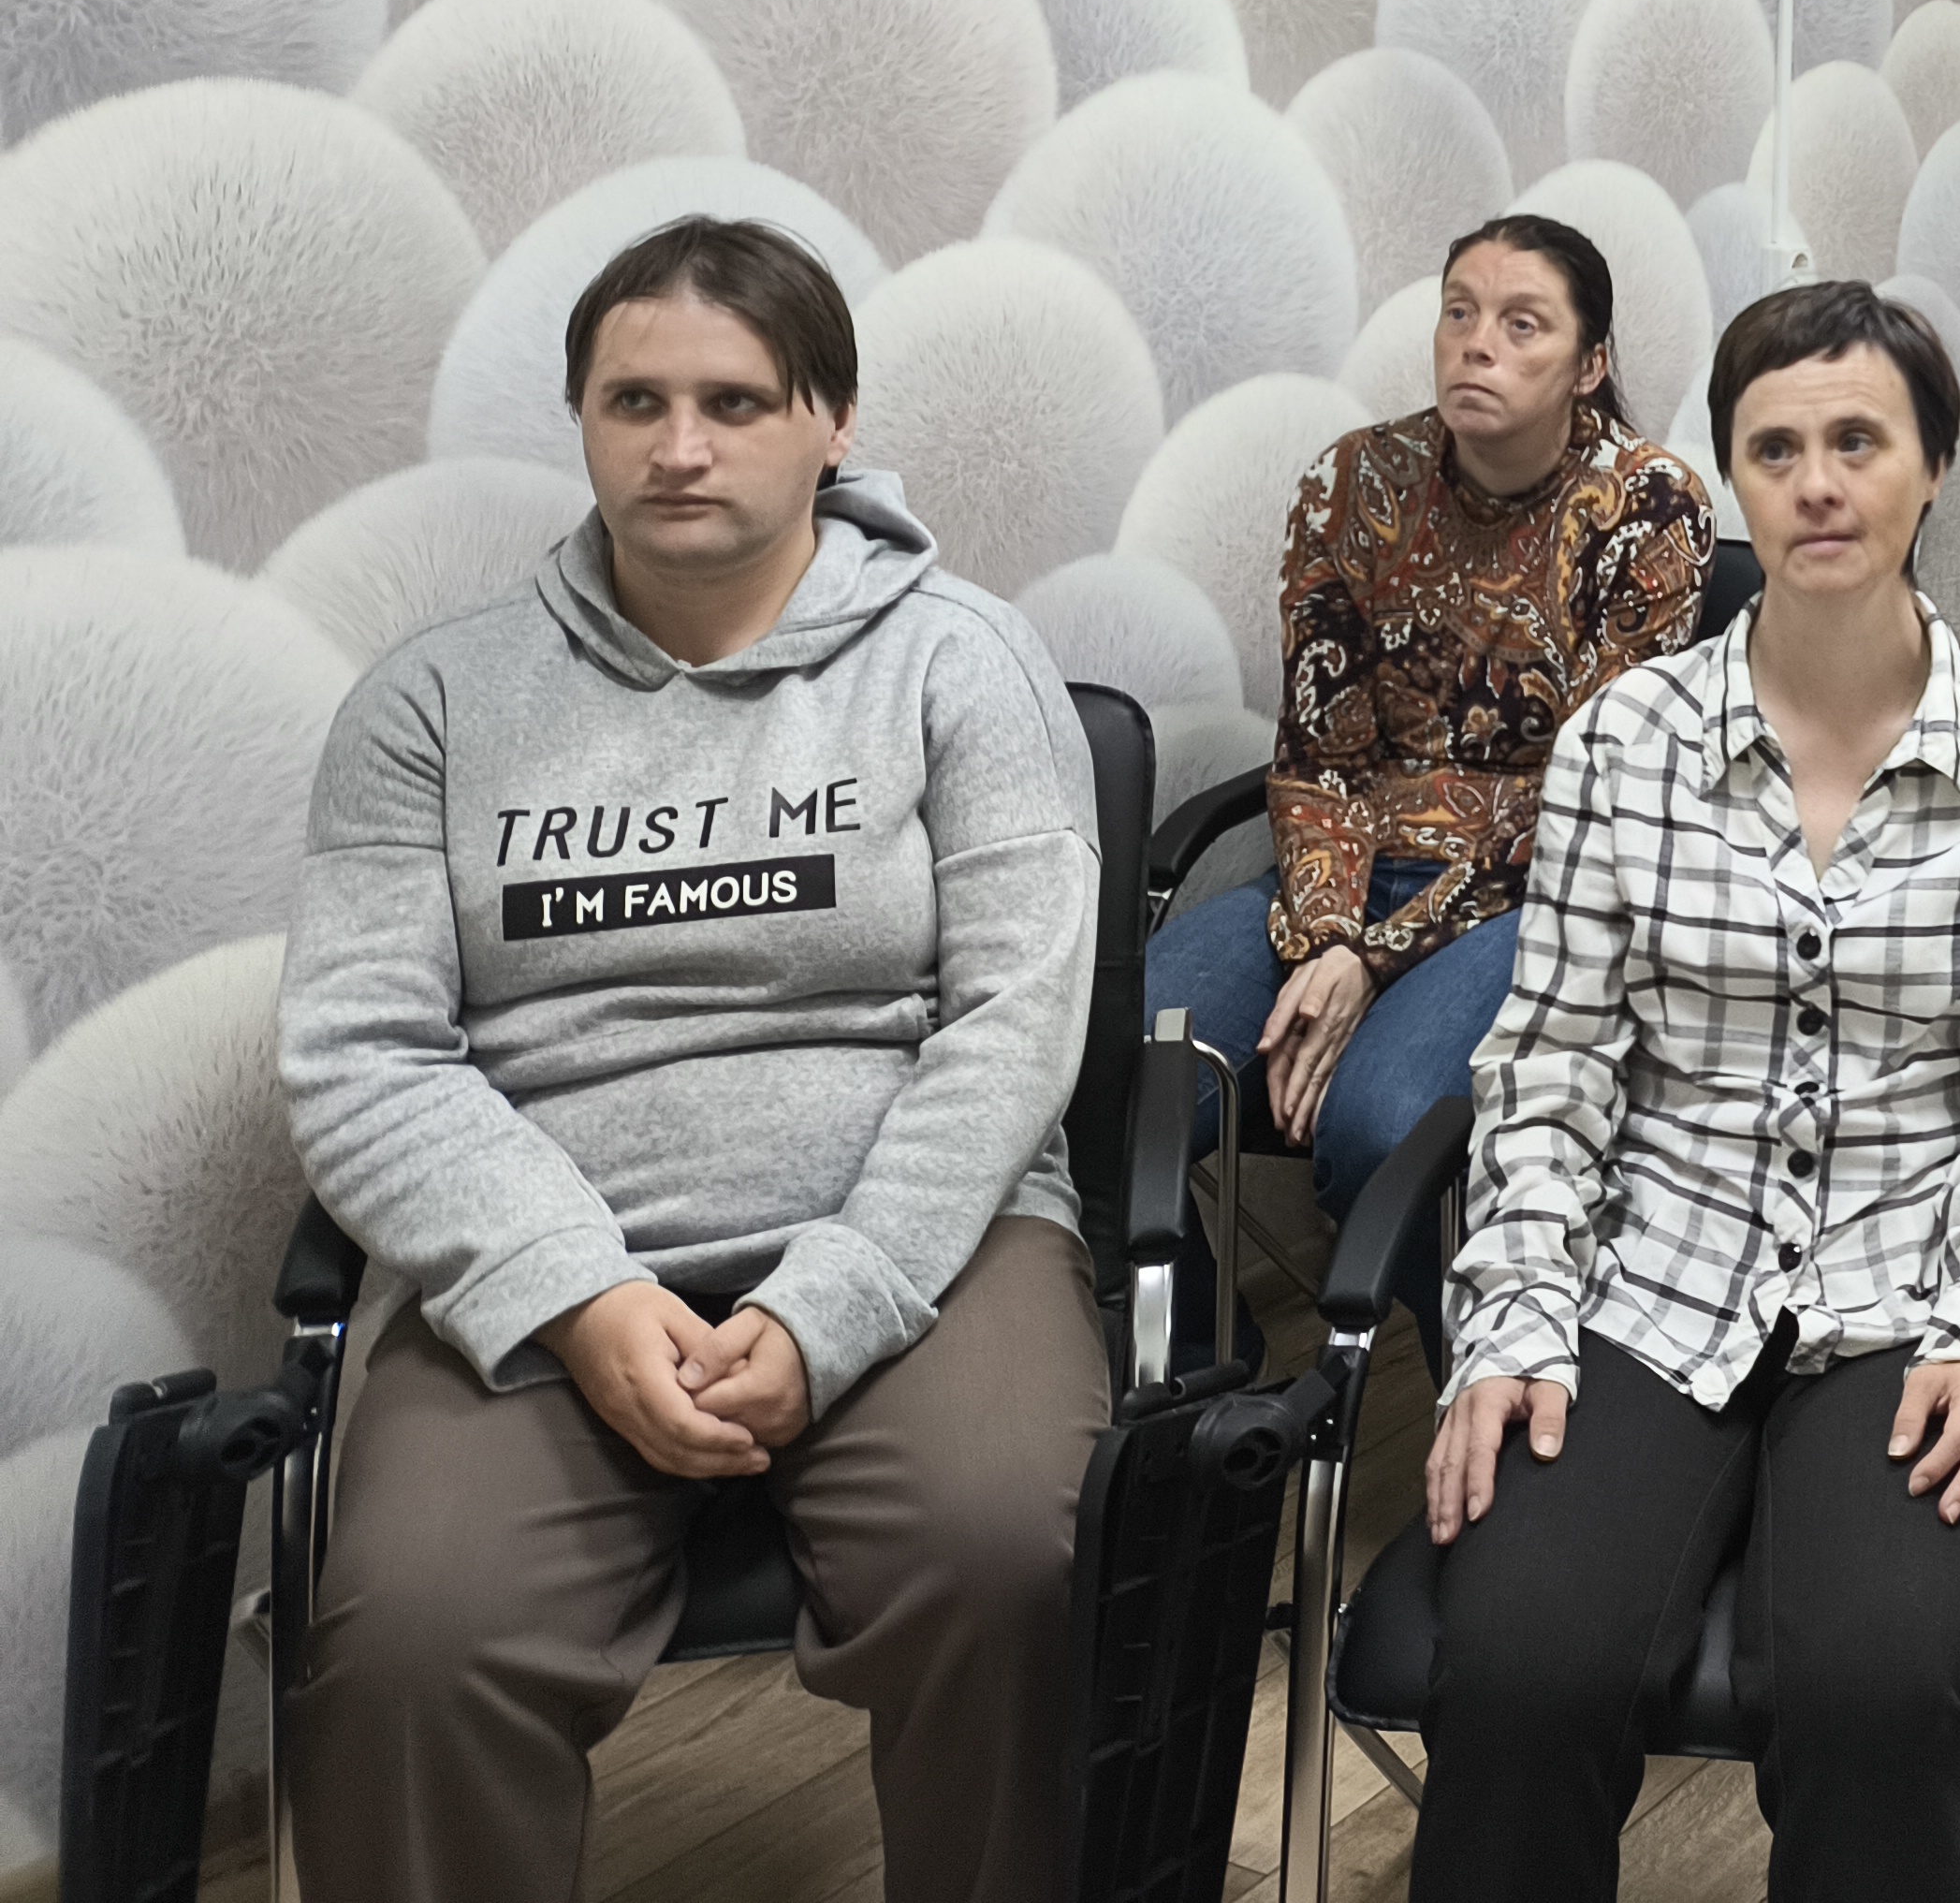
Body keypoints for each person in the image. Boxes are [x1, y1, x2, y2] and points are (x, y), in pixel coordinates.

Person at [276, 215, 1103, 1903]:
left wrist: (835, 1299)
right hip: (554, 1252)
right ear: (581, 419)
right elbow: (364, 1052)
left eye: (733, 400)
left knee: (1006, 1555)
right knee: (416, 1634)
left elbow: (1016, 1017)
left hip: (918, 1235)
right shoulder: (430, 704)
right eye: (634, 401)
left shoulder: (960, 659)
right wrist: (577, 1295)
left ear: (832, 421)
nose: (679, 446)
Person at [1407, 282, 1960, 1903]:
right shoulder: (1624, 742)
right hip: (1647, 1273)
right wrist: (1513, 1317)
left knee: (1877, 1686)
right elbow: (1551, 1062)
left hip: (1904, 1288)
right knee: (1519, 1662)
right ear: (1732, 472)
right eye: (1776, 449)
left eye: (1858, 441)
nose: (1818, 484)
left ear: (1933, 466)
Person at [1141, 212, 1711, 1357]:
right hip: (1345, 876)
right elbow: (1320, 751)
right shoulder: (1353, 482)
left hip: (1535, 890)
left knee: (1381, 1125)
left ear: (1589, 364)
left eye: (1522, 323)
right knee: (1111, 1079)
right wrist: (1327, 933)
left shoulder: (1650, 509)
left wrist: (1372, 956)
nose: (1476, 343)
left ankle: (1489, 1378)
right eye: (1459, 312)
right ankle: (1209, 1378)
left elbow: (1586, 795)